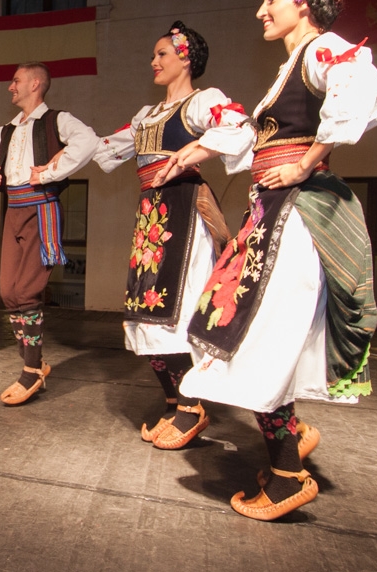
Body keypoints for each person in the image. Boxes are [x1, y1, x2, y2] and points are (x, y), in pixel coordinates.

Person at [162, 0, 377, 520]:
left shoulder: (320, 50)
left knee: (251, 338)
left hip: (294, 220)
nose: (261, 10)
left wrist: (306, 163)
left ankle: (288, 476)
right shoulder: (291, 67)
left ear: (303, 2)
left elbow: (361, 87)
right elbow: (251, 138)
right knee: (238, 332)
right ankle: (290, 452)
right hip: (270, 217)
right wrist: (197, 150)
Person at [92, 22, 249, 449]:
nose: (154, 61)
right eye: (153, 55)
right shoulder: (146, 116)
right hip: (152, 214)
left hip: (182, 209)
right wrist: (49, 163)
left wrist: (192, 153)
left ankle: (191, 407)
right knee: (145, 308)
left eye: (162, 53)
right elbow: (103, 147)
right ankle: (175, 399)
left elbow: (238, 127)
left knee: (176, 305)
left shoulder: (202, 101)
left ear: (185, 57)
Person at [0, 62, 99, 404]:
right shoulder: (6, 131)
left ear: (35, 84)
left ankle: (31, 369)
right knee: (8, 291)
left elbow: (88, 141)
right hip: (14, 210)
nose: (11, 86)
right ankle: (33, 359)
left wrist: (50, 171)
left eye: (16, 80)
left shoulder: (57, 120)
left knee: (27, 290)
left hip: (41, 209)